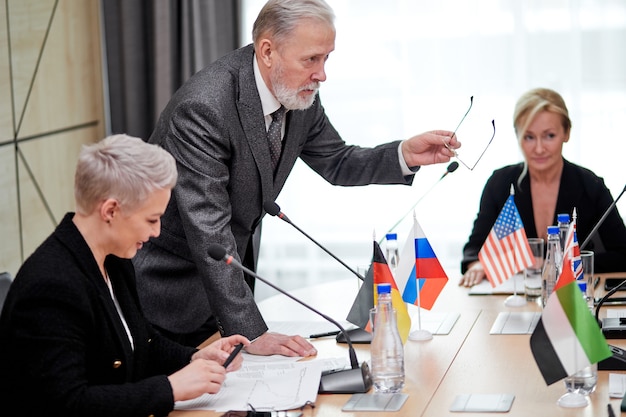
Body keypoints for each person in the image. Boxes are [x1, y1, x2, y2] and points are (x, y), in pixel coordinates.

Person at [133, 0, 460, 354]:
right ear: (268, 51)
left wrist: (404, 154)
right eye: (311, 59)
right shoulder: (205, 108)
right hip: (170, 295)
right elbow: (208, 229)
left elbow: (337, 160)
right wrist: (252, 332)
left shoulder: (300, 97)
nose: (322, 75)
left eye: (326, 59)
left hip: (225, 292)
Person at [0, 135, 249, 417]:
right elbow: (68, 404)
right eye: (151, 219)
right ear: (110, 210)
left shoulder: (115, 258)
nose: (156, 232)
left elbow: (141, 340)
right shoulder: (51, 285)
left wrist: (194, 357)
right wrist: (169, 389)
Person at [459, 87, 626, 287]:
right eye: (529, 137)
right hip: (514, 299)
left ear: (567, 133)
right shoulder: (501, 183)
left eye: (549, 136)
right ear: (517, 135)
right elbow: (473, 250)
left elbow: (623, 254)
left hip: (572, 299)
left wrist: (559, 264)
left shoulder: (590, 185)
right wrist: (477, 265)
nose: (539, 148)